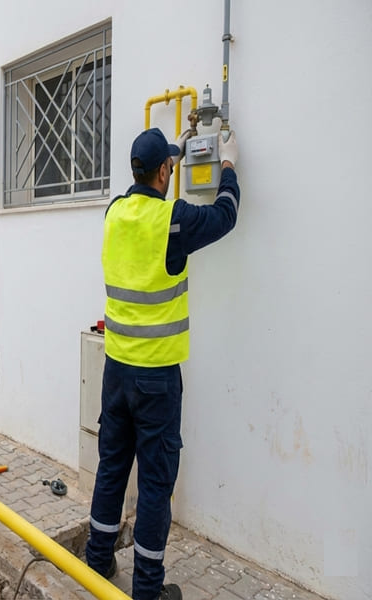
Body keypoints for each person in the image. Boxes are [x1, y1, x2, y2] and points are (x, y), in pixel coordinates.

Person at [86, 127, 240, 600]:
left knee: (112, 466)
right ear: (162, 172)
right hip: (156, 380)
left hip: (115, 371)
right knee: (155, 482)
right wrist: (228, 165)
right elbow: (225, 216)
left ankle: (97, 562)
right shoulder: (171, 220)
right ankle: (147, 590)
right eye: (171, 166)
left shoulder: (115, 213)